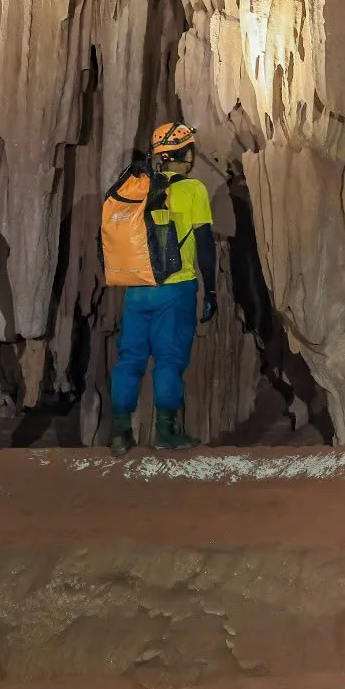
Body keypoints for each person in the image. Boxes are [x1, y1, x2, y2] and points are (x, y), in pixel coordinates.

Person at [102, 123, 219, 454]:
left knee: (129, 358)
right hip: (176, 288)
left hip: (137, 288)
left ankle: (121, 432)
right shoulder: (193, 190)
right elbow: (206, 244)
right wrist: (210, 291)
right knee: (168, 358)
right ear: (188, 154)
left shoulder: (139, 188)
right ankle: (165, 432)